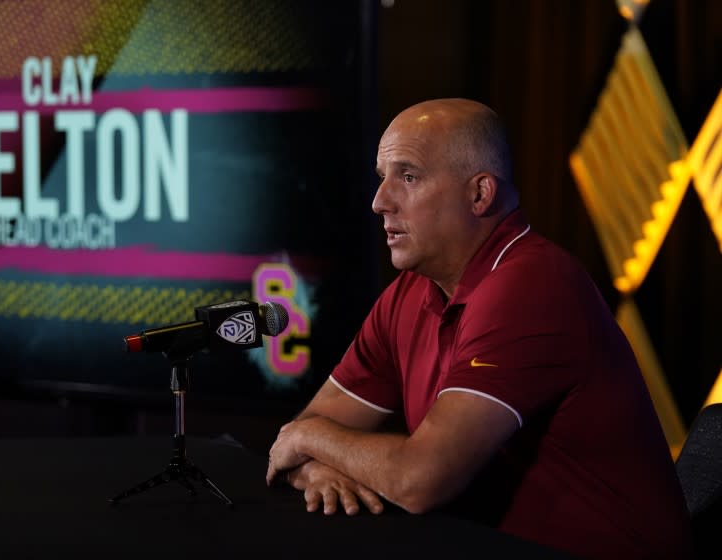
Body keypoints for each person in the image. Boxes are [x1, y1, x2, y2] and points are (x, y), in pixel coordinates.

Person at [265, 98, 694, 559]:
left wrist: (308, 441)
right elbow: (313, 427)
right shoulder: (409, 292)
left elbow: (420, 480)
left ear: (480, 194)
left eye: (408, 177)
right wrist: (313, 462)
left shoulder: (534, 287)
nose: (379, 201)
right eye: (381, 178)